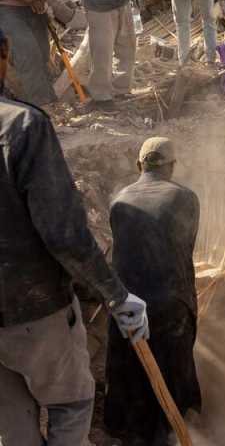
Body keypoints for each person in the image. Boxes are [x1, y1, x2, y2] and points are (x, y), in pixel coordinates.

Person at [0, 25, 149, 446]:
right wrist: (116, 295)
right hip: (34, 310)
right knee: (71, 405)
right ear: (6, 53)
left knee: (13, 424)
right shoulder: (22, 126)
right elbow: (64, 234)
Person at [105, 137, 201, 445]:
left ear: (138, 166)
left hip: (126, 305)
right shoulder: (186, 198)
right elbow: (184, 249)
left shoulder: (118, 199)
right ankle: (169, 431)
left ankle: (126, 431)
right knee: (173, 368)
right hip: (170, 305)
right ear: (172, 167)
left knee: (129, 368)